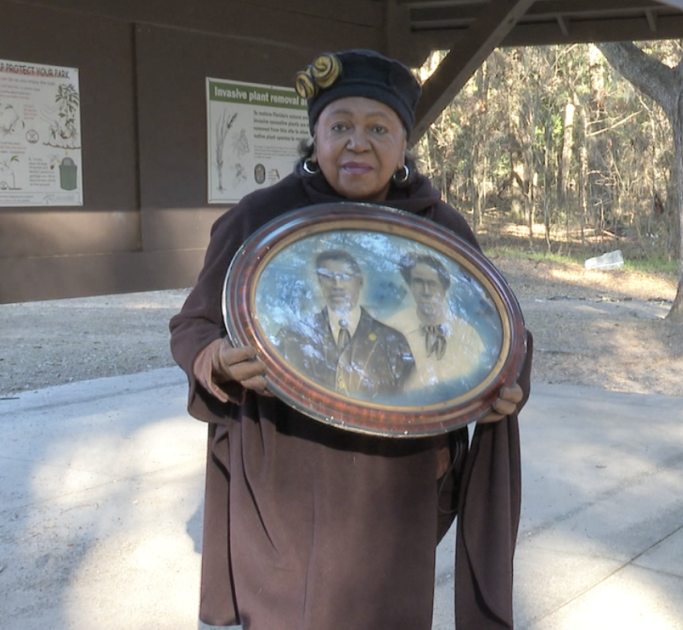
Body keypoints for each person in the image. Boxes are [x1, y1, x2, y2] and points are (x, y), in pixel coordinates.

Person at [169, 49, 531, 630]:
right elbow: (193, 325)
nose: (357, 143)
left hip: (398, 480)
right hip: (284, 469)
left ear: (403, 141)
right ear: (315, 136)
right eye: (340, 126)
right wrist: (213, 358)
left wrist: (503, 385)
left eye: (377, 128)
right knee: (284, 609)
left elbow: (497, 333)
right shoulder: (260, 220)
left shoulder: (441, 231)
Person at [277, 249, 414, 400]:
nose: (338, 285)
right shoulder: (292, 337)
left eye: (345, 277)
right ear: (319, 282)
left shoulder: (393, 341)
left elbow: (406, 399)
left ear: (360, 281)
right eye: (328, 277)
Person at [386, 253, 488, 399]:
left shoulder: (467, 334)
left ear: (444, 288)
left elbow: (475, 386)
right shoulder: (392, 328)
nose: (426, 292)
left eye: (432, 284)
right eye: (418, 282)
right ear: (410, 285)